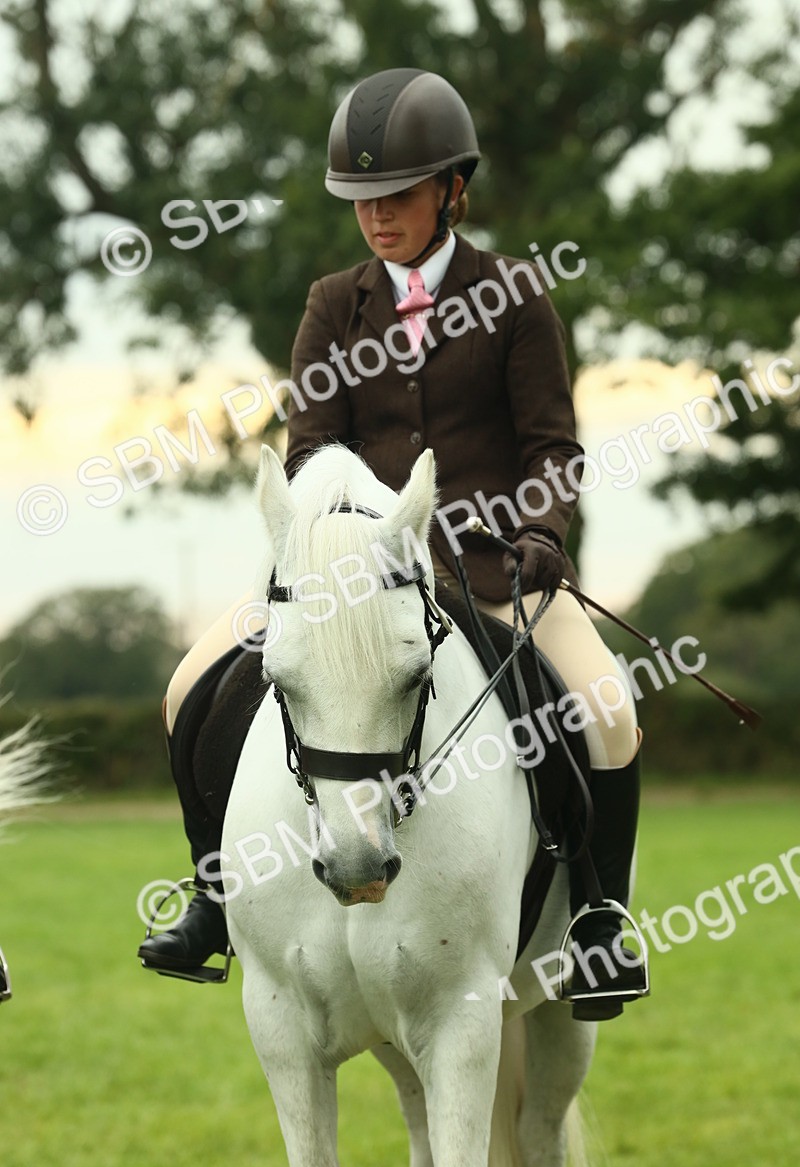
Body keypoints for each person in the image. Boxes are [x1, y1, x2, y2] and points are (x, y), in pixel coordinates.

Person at [140, 67, 647, 1021]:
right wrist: (355, 541)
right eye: (362, 200)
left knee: (610, 711)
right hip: (354, 578)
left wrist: (542, 528)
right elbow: (311, 446)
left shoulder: (516, 297)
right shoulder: (336, 303)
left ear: (453, 189)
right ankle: (212, 897)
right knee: (185, 690)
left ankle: (597, 921)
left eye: (399, 195)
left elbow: (553, 444)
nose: (377, 216)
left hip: (493, 568)